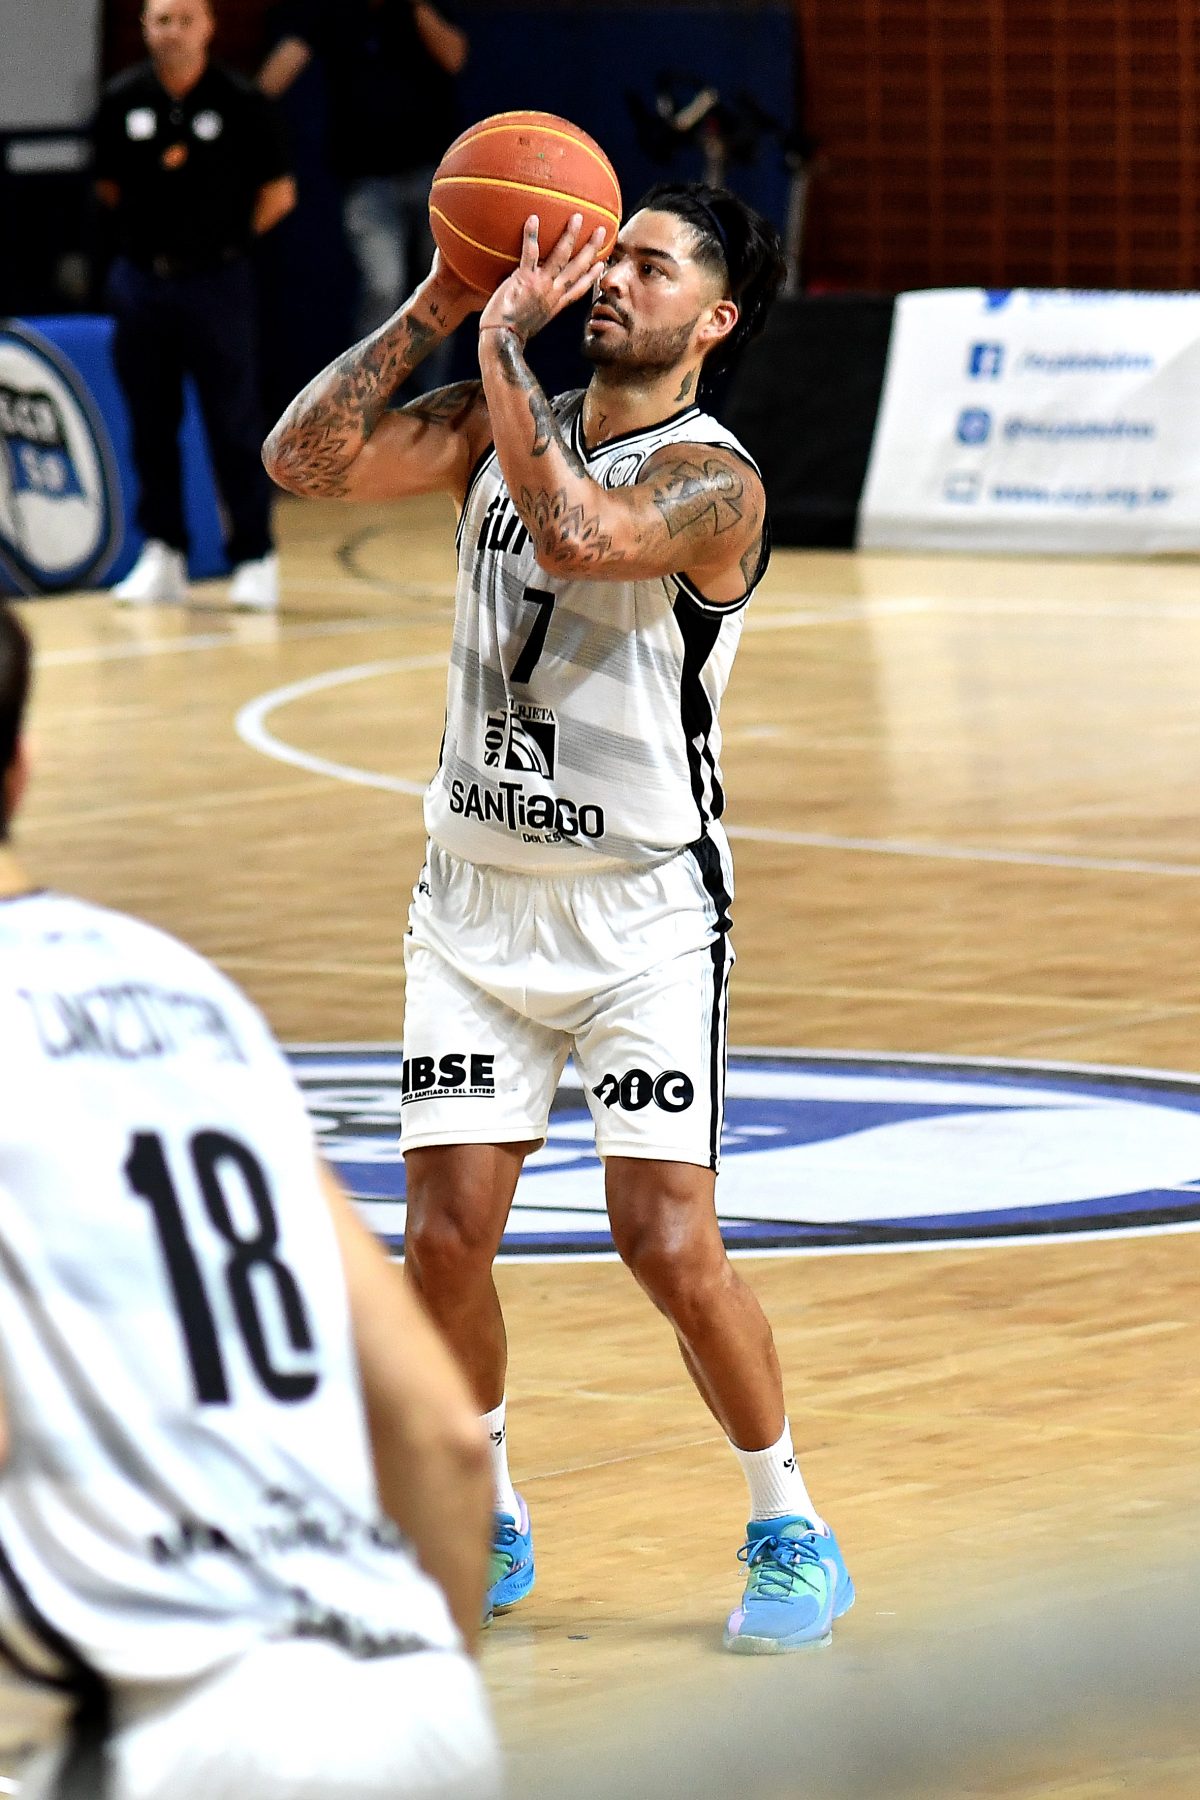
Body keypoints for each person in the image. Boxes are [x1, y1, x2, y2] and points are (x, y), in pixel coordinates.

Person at [262, 179, 855, 1655]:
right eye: (615, 255)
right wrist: (441, 300)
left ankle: (788, 1520)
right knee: (443, 1239)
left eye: (652, 267)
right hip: (473, 904)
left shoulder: (716, 481)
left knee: (665, 1242)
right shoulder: (496, 414)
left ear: (715, 319)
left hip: (641, 918)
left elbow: (581, 532)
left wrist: (501, 356)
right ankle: (488, 1509)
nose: (617, 279)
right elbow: (301, 460)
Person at [0, 605, 501, 1797]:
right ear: (20, 766)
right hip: (411, 1704)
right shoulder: (190, 993)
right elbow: (442, 1437)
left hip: (152, 1723)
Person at [94, 0, 297, 612]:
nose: (174, 32)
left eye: (185, 19)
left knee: (232, 420)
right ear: (144, 28)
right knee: (150, 422)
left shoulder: (241, 100)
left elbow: (279, 193)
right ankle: (163, 552)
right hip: (142, 281)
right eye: (162, 20)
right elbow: (107, 186)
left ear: (208, 26)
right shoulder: (121, 99)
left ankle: (255, 556)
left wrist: (219, 243)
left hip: (217, 282)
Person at [259, 0, 467, 355]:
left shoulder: (423, 7)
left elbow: (454, 56)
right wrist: (240, 107)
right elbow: (279, 70)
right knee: (383, 285)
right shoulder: (333, 10)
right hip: (367, 182)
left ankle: (434, 387)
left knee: (441, 290)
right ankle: (368, 381)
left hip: (433, 178)